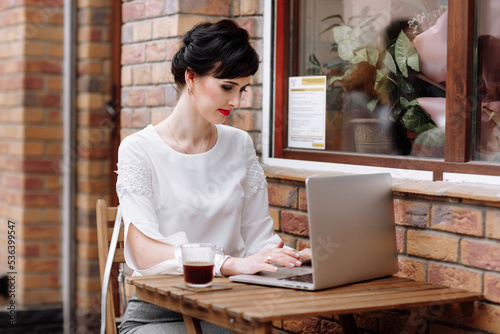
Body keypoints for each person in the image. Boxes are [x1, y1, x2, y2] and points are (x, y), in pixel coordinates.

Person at [115, 19, 311, 333]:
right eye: (227, 87)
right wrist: (227, 263)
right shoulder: (139, 149)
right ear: (190, 78)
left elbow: (260, 239)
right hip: (161, 313)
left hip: (230, 306)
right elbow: (146, 252)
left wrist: (297, 258)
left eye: (243, 89)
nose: (236, 102)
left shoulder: (239, 144)